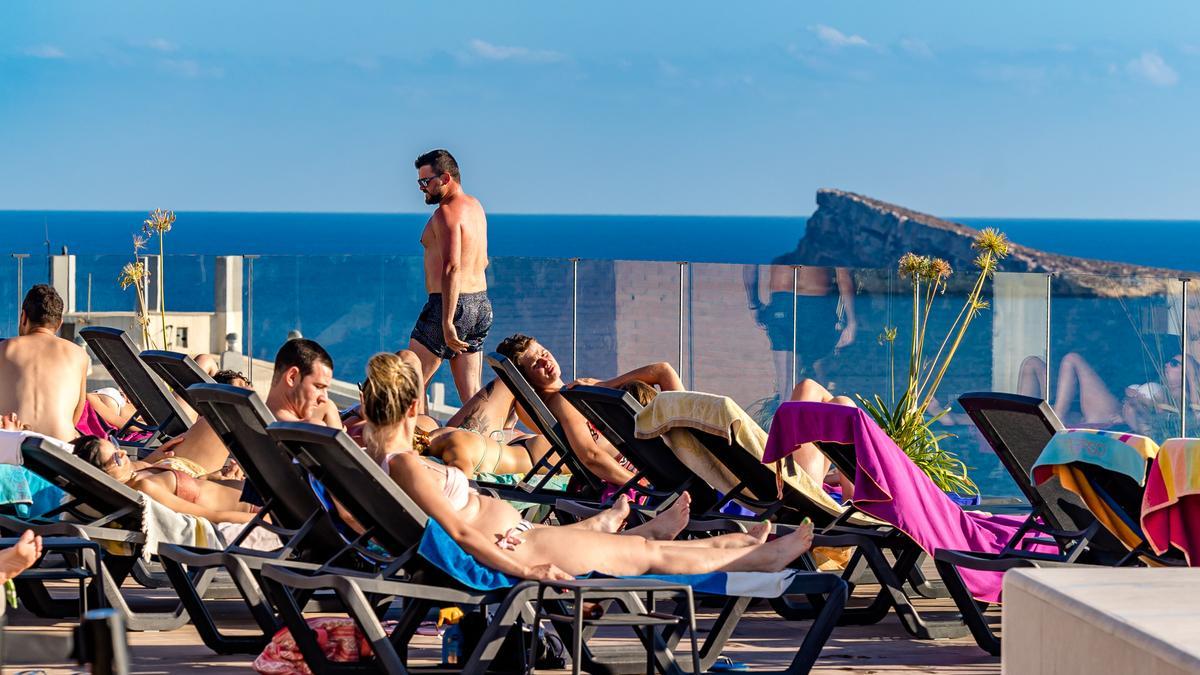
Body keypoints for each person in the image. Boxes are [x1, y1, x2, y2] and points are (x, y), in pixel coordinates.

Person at [355, 352, 814, 581]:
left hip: (522, 538)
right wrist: (528, 573)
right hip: (519, 550)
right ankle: (763, 557)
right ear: (414, 404)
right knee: (647, 559)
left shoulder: (386, 461)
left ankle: (733, 541)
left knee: (639, 548)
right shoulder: (405, 467)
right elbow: (462, 535)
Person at [496, 333, 684, 493]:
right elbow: (591, 457)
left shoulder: (557, 400)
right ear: (527, 379)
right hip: (649, 471)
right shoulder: (564, 401)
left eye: (544, 353)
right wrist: (644, 486)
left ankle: (691, 441)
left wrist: (603, 385)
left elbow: (662, 370)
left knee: (639, 389)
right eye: (536, 364)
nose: (546, 361)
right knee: (639, 388)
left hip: (648, 463)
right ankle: (692, 441)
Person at [141, 339, 342, 475]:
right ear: (292, 377)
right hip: (173, 476)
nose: (323, 397)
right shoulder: (300, 433)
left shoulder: (235, 415)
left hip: (163, 471)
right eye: (319, 387)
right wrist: (331, 411)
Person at [408, 149, 492, 408]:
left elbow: (452, 266)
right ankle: (488, 441)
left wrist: (446, 321)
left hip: (450, 305)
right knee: (471, 394)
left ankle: (418, 443)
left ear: (444, 178)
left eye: (425, 181)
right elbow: (484, 259)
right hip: (480, 305)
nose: (422, 188)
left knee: (411, 381)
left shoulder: (447, 213)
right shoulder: (475, 206)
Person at [73, 434, 256, 523]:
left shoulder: (137, 478)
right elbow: (212, 517)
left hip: (251, 493)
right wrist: (265, 521)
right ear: (100, 477)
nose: (122, 452)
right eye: (115, 458)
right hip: (257, 508)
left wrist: (209, 478)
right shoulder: (144, 487)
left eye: (115, 446)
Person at [743, 261, 857, 402]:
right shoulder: (823, 238)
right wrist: (851, 321)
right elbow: (844, 275)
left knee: (787, 387)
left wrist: (754, 304)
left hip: (783, 303)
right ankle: (811, 420)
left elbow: (751, 264)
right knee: (819, 387)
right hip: (817, 304)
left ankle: (787, 420)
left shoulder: (772, 237)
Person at [0, 285, 89, 441]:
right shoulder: (79, 354)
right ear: (59, 323)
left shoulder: (4, 349)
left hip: (14, 444)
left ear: (23, 317)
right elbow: (76, 411)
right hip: (60, 450)